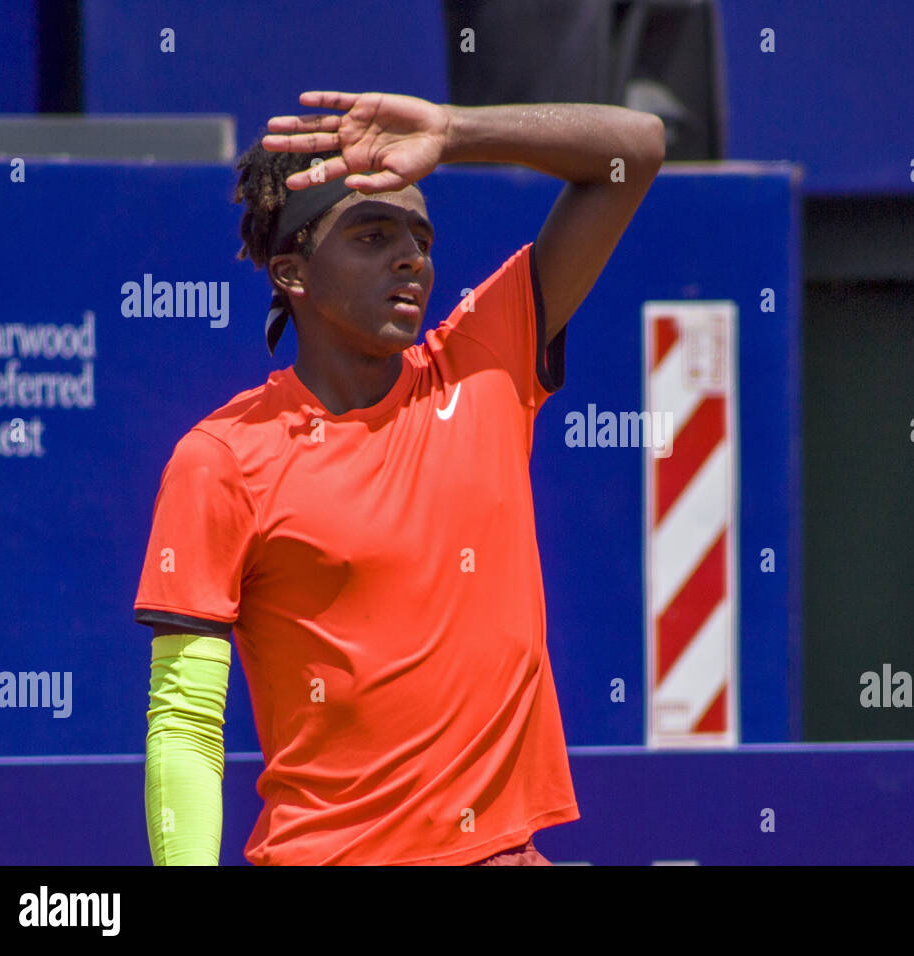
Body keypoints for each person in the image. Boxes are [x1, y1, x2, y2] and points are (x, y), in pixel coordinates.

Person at [134, 91, 665, 865]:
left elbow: (634, 151)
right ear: (292, 273)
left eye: (419, 236)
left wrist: (454, 132)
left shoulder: (486, 363)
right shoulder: (220, 459)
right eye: (372, 235)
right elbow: (184, 725)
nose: (410, 257)